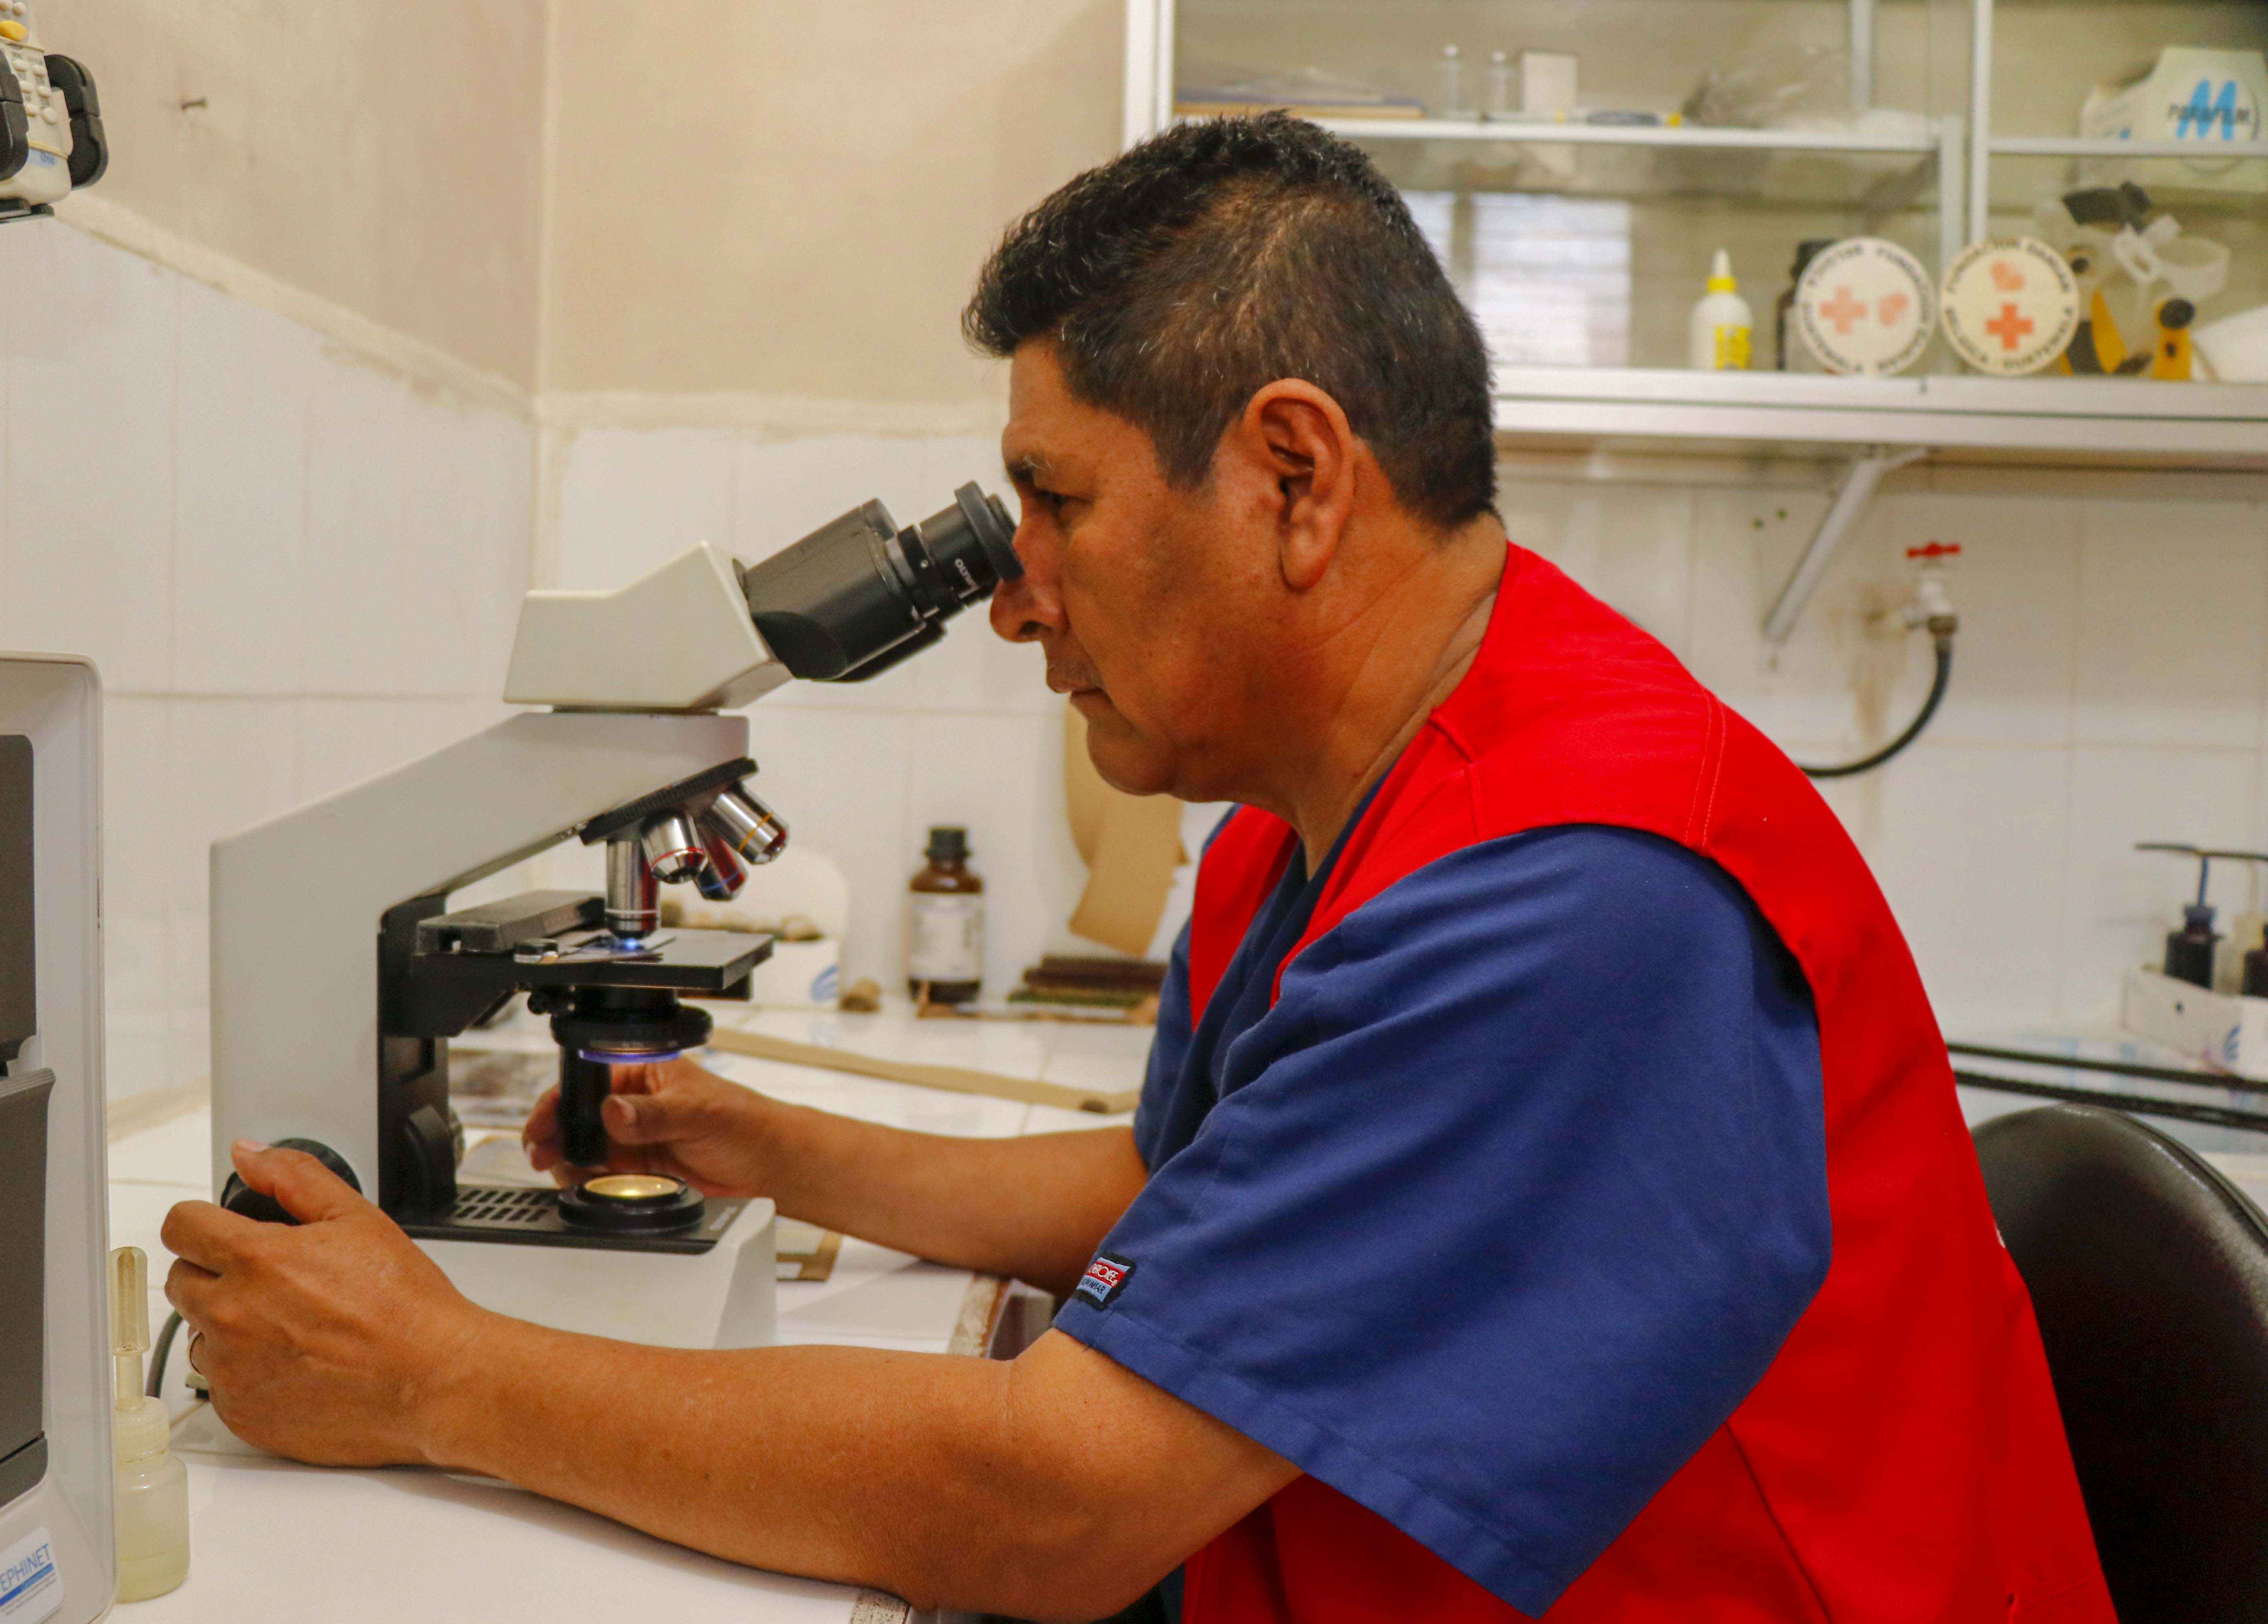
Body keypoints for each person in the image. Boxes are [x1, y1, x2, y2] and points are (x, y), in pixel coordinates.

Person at [162, 115, 2112, 1623]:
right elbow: (1204, 1192)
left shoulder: (1580, 887)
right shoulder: (1313, 800)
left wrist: (437, 1377)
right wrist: (785, 1148)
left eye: (1058, 504)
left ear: (1291, 475)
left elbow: (1055, 1497)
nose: (1012, 596)